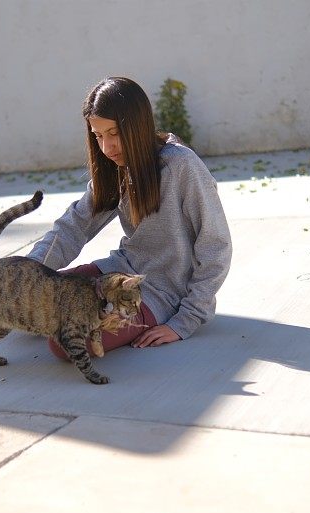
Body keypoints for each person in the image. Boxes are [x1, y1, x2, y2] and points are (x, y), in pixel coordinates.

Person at [27, 77, 232, 358]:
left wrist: (185, 319)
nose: (107, 148)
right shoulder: (114, 169)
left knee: (66, 343)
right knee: (31, 299)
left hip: (162, 293)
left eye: (114, 133)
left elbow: (216, 245)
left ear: (136, 125)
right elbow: (74, 225)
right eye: (98, 136)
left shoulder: (182, 166)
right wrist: (25, 271)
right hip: (117, 273)